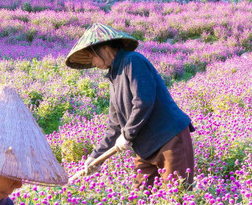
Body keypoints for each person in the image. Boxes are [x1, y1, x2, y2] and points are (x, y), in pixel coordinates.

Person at [65, 23, 196, 191]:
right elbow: (115, 124)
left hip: (169, 139)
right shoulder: (114, 77)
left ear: (104, 48)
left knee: (177, 193)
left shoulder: (133, 61)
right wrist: (95, 157)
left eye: (92, 57)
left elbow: (143, 101)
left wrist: (127, 134)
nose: (93, 63)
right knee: (141, 194)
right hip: (145, 147)